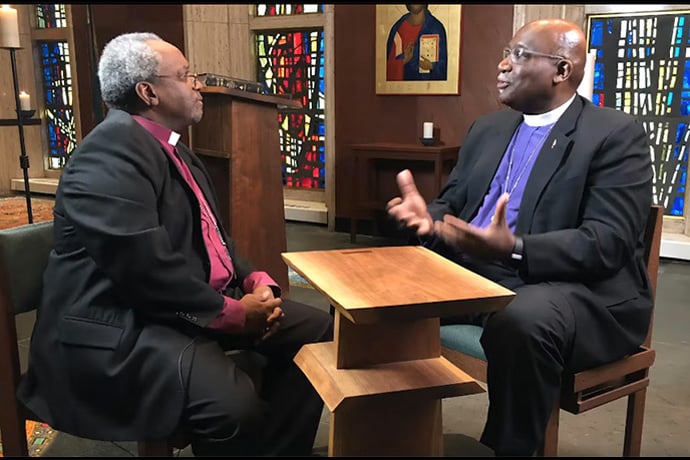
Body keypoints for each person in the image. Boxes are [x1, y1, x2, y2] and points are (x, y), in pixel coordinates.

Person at [17, 32, 333, 457]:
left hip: (169, 310)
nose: (197, 84)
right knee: (231, 406)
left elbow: (215, 238)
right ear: (148, 92)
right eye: (186, 76)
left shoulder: (176, 151)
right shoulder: (107, 155)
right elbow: (145, 270)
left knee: (319, 332)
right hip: (118, 326)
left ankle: (278, 450)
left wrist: (255, 279)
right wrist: (235, 314)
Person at [386, 18, 653, 456]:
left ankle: (507, 449)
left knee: (524, 319)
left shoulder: (614, 135)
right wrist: (426, 220)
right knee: (377, 288)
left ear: (562, 70)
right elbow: (451, 204)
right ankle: (398, 438)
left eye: (519, 55)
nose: (502, 65)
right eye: (507, 52)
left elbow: (607, 243)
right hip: (478, 276)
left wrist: (515, 248)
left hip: (572, 291)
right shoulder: (487, 129)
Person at [386, 4, 448, 81]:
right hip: (403, 90)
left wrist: (432, 66)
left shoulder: (436, 28)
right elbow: (387, 68)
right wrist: (404, 60)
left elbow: (445, 69)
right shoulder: (398, 29)